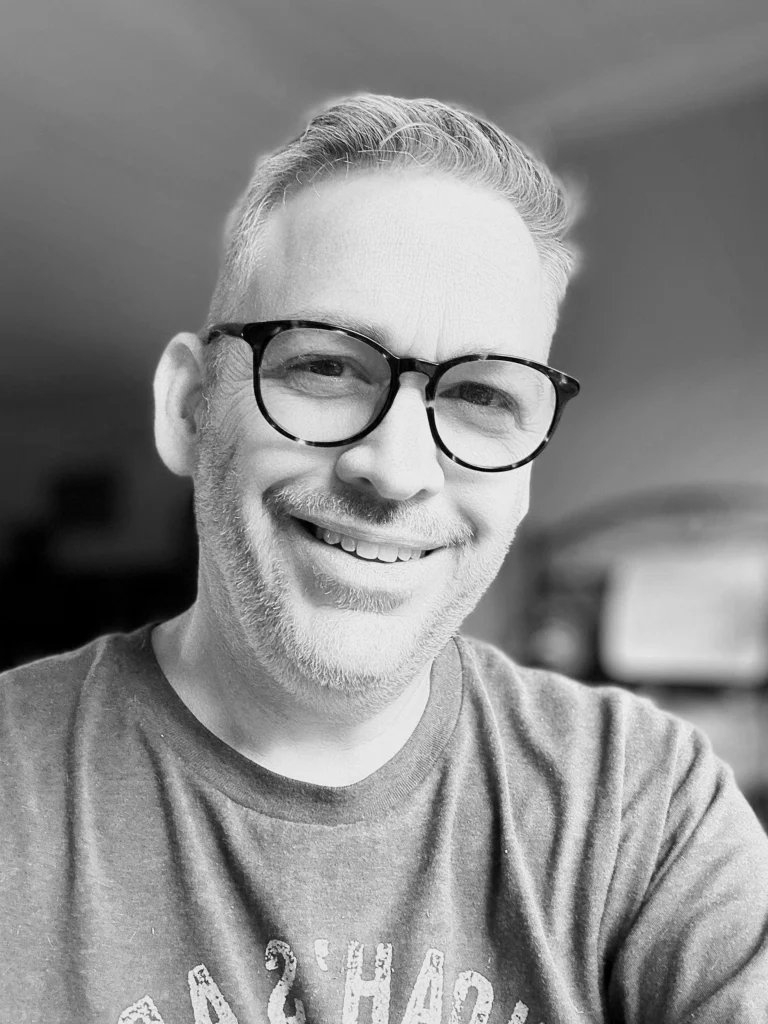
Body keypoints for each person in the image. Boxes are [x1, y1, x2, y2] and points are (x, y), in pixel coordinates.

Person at [1, 94, 766, 1023]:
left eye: (483, 395)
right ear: (189, 406)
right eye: (326, 366)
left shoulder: (642, 805)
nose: (398, 472)